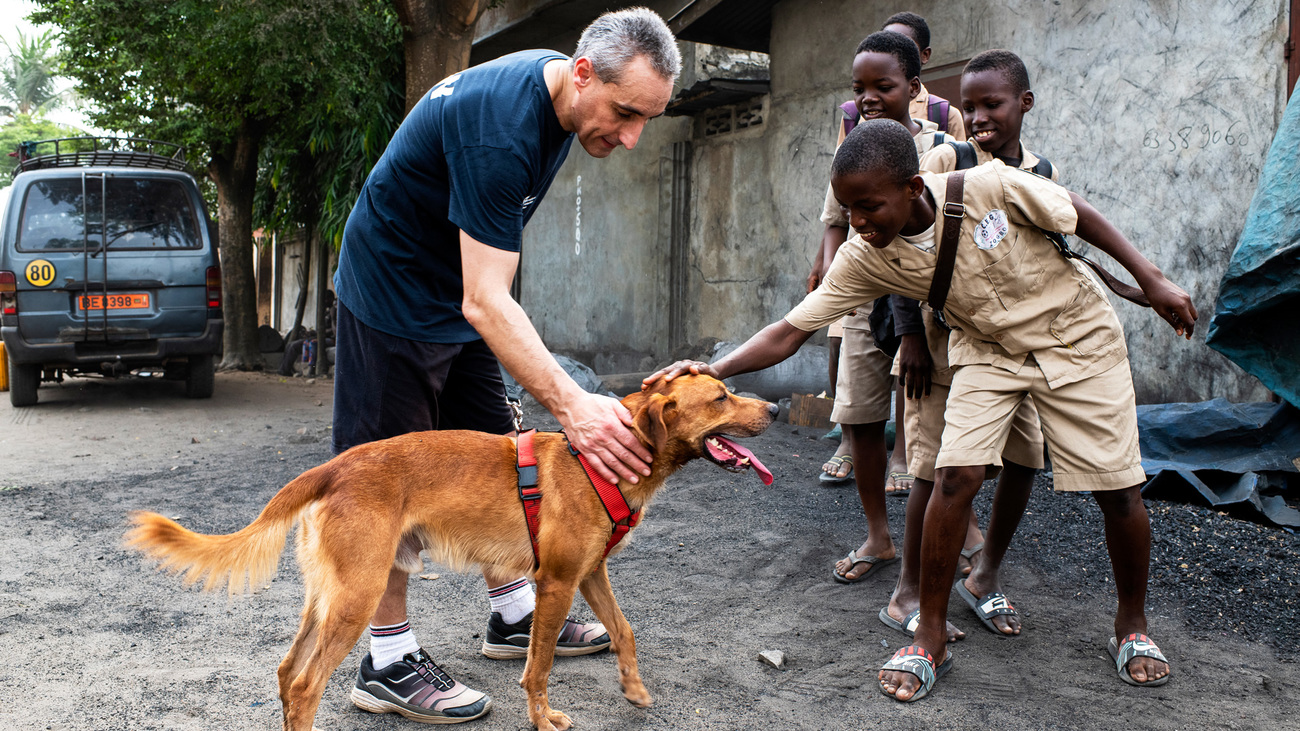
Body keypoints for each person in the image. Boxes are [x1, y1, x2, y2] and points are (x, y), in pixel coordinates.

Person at [647, 118, 1192, 701]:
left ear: (911, 187)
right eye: (848, 208)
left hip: (1076, 338)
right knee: (950, 478)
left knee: (1119, 490)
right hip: (987, 349)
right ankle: (928, 635)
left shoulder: (989, 186)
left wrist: (1152, 280)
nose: (857, 222)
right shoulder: (865, 257)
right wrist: (713, 370)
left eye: (868, 206)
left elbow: (1076, 211)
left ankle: (1130, 626)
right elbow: (790, 330)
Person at [330, 8, 680, 724]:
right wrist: (574, 404)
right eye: (624, 113)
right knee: (389, 489)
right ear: (583, 75)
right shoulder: (502, 131)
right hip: (392, 294)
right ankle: (388, 660)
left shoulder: (562, 101)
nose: (632, 135)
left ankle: (514, 612)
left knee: (504, 454)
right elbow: (487, 298)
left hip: (456, 301)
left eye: (647, 118)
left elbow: (485, 287)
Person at [882, 49, 1055, 640]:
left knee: (1023, 460)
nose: (979, 117)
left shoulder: (1041, 172)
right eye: (970, 106)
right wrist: (909, 338)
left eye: (992, 104)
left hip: (1011, 348)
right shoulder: (945, 158)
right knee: (933, 470)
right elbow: (903, 250)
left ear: (1023, 104)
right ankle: (906, 591)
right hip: (939, 342)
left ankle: (983, 576)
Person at [808, 31, 946, 584]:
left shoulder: (939, 144)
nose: (867, 97)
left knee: (928, 419)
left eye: (881, 86)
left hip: (925, 312)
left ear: (913, 88)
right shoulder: (852, 147)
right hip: (863, 302)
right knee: (861, 414)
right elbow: (837, 222)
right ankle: (878, 536)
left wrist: (912, 332)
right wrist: (827, 287)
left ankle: (950, 531)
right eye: (858, 88)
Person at [880, 11, 966, 141]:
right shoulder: (857, 113)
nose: (893, 56)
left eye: (904, 49)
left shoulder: (945, 115)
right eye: (885, 47)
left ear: (925, 55)